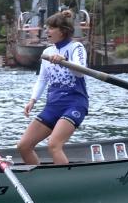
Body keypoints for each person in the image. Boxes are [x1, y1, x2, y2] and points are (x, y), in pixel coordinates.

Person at [17, 9, 90, 165]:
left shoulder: (76, 47)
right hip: (53, 106)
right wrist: (32, 100)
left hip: (74, 104)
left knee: (54, 145)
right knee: (23, 146)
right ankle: (40, 182)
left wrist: (64, 59)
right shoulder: (47, 52)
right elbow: (42, 79)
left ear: (62, 31)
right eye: (46, 27)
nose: (46, 31)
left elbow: (80, 72)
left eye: (51, 28)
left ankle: (66, 184)